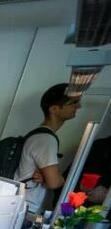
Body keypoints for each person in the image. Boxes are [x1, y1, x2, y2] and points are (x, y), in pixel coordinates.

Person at [15, 83, 81, 214]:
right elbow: (54, 183)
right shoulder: (46, 139)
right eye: (73, 103)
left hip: (21, 204)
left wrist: (46, 177)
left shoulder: (39, 135)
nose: (78, 107)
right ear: (54, 109)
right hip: (26, 208)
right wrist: (56, 178)